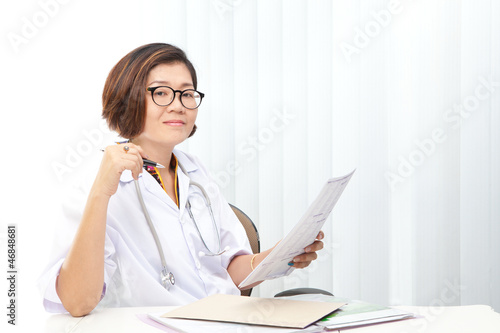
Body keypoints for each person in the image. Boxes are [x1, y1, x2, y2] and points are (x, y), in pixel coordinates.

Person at [38, 43, 324, 317]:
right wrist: (101, 193)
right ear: (128, 100)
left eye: (187, 94)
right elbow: (77, 302)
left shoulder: (195, 172)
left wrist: (281, 255)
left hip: (223, 321)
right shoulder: (96, 185)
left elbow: (231, 269)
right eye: (162, 93)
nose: (178, 105)